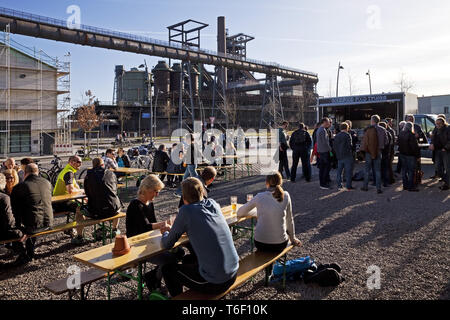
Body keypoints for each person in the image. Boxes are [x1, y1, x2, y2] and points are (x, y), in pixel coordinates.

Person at [160, 177, 239, 298]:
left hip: (215, 282)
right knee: (187, 260)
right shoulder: (213, 204)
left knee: (168, 269)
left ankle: (178, 298)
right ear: (202, 192)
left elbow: (167, 244)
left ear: (184, 197)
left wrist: (165, 232)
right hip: (233, 272)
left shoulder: (186, 211)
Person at [126, 174, 183, 292]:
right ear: (146, 189)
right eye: (155, 191)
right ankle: (154, 278)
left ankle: (152, 277)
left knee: (180, 252)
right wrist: (165, 223)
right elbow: (145, 227)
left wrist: (165, 227)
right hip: (136, 244)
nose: (157, 195)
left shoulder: (149, 202)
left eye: (158, 192)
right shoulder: (135, 205)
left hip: (149, 241)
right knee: (170, 259)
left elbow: (153, 224)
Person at [237, 171, 302, 253]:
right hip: (280, 244)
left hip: (260, 243)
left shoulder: (259, 196)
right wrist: (292, 238)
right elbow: (289, 219)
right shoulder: (286, 195)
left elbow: (240, 213)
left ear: (266, 182)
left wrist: (257, 213)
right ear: (280, 182)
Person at [10, 164, 53, 265]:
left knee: (14, 226)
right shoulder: (47, 182)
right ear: (37, 172)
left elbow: (14, 210)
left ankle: (22, 253)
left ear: (25, 173)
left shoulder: (20, 187)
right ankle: (29, 250)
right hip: (49, 223)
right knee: (33, 216)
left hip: (32, 227)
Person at [83, 157, 122, 237]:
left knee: (79, 209)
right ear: (103, 164)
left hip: (95, 212)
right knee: (117, 201)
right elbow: (114, 188)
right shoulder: (110, 173)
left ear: (93, 165)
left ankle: (80, 236)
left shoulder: (88, 176)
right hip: (113, 209)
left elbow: (87, 193)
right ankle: (115, 229)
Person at [52, 155, 84, 244]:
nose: (80, 164)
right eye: (78, 162)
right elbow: (70, 190)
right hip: (61, 202)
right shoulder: (69, 172)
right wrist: (81, 190)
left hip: (62, 201)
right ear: (71, 162)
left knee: (83, 206)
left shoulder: (68, 171)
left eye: (81, 162)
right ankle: (78, 235)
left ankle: (71, 228)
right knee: (82, 209)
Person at [361, 115, 388, 194]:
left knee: (367, 170)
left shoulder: (368, 129)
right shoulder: (383, 129)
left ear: (372, 121)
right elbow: (386, 142)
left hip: (369, 152)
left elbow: (365, 141)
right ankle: (378, 188)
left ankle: (365, 187)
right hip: (379, 151)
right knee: (377, 170)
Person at [0, 173, 24, 255]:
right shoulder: (4, 198)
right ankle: (22, 254)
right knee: (20, 231)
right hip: (2, 233)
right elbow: (8, 221)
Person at [398, 122, 420, 192]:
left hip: (402, 154)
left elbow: (398, 143)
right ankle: (411, 186)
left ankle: (405, 185)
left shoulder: (401, 133)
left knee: (404, 170)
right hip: (410, 155)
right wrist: (418, 156)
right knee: (411, 171)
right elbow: (415, 147)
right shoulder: (411, 135)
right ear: (411, 127)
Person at [430, 117, 450, 191]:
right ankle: (447, 181)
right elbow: (432, 137)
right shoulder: (435, 129)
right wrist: (431, 143)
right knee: (437, 167)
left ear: (443, 123)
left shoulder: (448, 129)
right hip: (437, 150)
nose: (437, 125)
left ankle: (447, 184)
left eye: (439, 124)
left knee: (447, 168)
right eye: (436, 123)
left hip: (446, 151)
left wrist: (446, 148)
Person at [333, 122, 354, 190]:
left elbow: (334, 146)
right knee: (348, 172)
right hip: (347, 156)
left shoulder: (336, 135)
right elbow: (350, 146)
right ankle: (348, 186)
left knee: (339, 172)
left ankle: (339, 185)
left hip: (339, 156)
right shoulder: (347, 135)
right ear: (347, 128)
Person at [316, 118, 332, 189]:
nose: (329, 123)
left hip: (321, 151)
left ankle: (322, 183)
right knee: (326, 168)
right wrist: (330, 149)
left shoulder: (319, 129)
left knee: (322, 168)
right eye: (328, 122)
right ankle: (323, 184)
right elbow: (325, 142)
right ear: (324, 122)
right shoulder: (322, 130)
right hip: (324, 151)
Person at [379, 122, 393, 187]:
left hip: (384, 152)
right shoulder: (389, 133)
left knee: (384, 168)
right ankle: (387, 180)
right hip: (387, 152)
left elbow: (385, 144)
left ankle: (385, 181)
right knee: (387, 167)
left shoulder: (383, 133)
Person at [385, 118, 397, 184]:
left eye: (391, 122)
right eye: (390, 122)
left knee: (389, 166)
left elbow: (391, 142)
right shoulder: (390, 130)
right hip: (390, 150)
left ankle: (391, 180)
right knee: (388, 166)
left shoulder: (390, 131)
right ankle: (390, 179)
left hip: (390, 151)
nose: (391, 123)